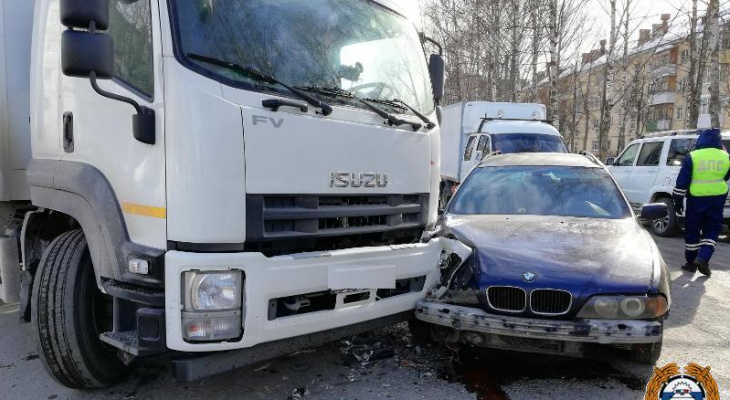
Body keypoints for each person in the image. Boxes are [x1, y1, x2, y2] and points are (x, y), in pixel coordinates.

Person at [673, 128, 730, 277]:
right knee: (712, 230)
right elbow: (726, 176)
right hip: (717, 199)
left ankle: (691, 264)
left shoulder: (693, 156)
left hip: (696, 200)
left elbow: (682, 182)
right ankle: (703, 258)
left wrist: (677, 201)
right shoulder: (726, 157)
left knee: (692, 229)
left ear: (701, 139)